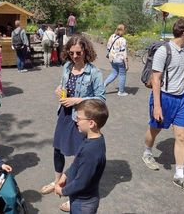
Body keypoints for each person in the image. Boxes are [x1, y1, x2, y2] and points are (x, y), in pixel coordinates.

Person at [40, 34, 105, 212]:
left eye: (78, 53)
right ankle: (57, 181)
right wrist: (59, 89)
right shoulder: (67, 66)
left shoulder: (94, 72)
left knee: (79, 155)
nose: (74, 56)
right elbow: (64, 86)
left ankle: (73, 196)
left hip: (80, 116)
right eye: (71, 53)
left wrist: (78, 100)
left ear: (86, 51)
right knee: (57, 149)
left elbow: (101, 99)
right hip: (64, 113)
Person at [141, 18, 184, 195]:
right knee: (155, 128)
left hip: (180, 99)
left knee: (181, 136)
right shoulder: (163, 51)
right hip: (164, 98)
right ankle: (147, 152)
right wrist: (157, 106)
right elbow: (156, 79)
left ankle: (179, 175)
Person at [55, 99, 109, 213]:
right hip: (79, 200)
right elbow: (77, 163)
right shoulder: (90, 139)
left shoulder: (91, 151)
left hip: (83, 204)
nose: (76, 121)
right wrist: (65, 175)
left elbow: (81, 182)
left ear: (91, 123)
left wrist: (62, 191)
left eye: (79, 118)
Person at [104, 24, 129, 96]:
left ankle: (104, 84)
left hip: (112, 58)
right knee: (122, 74)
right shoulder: (123, 40)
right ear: (123, 30)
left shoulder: (112, 36)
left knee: (114, 72)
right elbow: (124, 52)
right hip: (120, 60)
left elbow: (108, 47)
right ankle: (121, 91)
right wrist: (127, 63)